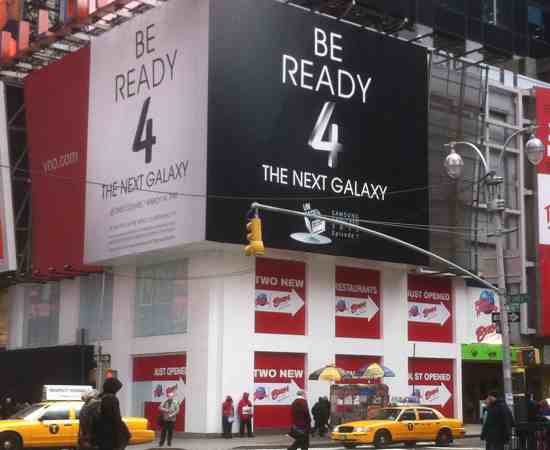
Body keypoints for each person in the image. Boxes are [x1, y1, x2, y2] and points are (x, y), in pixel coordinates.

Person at [95, 378, 131, 450]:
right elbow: (116, 419)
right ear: (113, 388)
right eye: (117, 389)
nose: (117, 391)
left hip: (100, 434)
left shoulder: (99, 397)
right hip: (110, 435)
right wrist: (120, 438)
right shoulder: (112, 399)